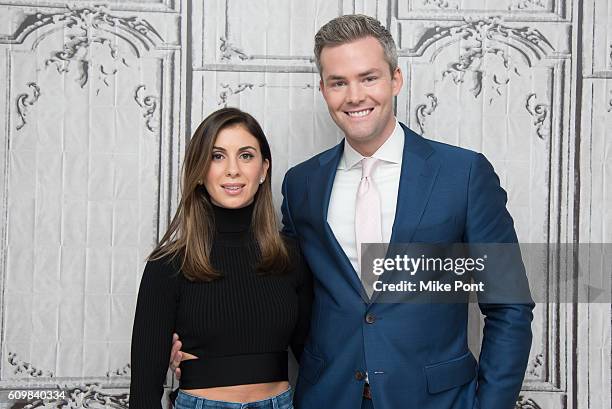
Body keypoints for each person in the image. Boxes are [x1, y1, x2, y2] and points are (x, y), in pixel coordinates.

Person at [170, 15, 533, 409]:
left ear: (396, 79)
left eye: (368, 78)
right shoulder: (302, 183)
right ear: (323, 89)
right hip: (328, 396)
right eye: (338, 82)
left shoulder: (462, 174)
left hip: (438, 400)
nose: (354, 96)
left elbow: (509, 304)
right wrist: (205, 345)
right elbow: (279, 290)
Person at [129, 107, 312, 409]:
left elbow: (315, 356)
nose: (232, 170)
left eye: (246, 155)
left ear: (264, 169)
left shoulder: (291, 256)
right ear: (200, 171)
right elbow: (144, 390)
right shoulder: (168, 264)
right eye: (217, 156)